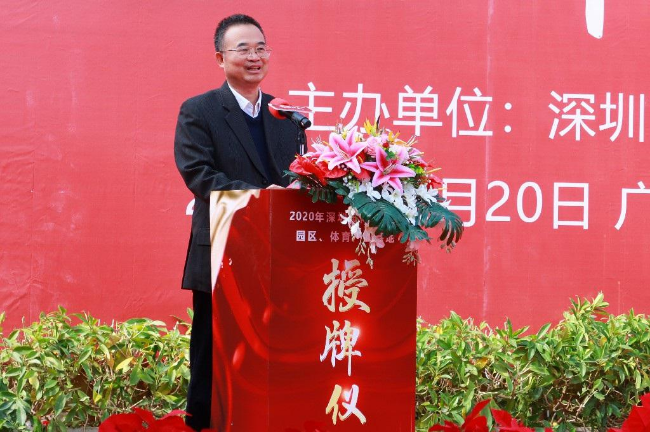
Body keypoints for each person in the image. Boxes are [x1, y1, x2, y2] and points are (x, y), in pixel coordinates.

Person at [174, 14, 299, 430]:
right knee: (213, 352)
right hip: (222, 249)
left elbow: (300, 176)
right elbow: (199, 174)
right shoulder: (199, 111)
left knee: (276, 350)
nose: (254, 56)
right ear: (220, 58)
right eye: (243, 49)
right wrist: (260, 197)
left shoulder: (285, 115)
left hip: (279, 255)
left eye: (261, 48)